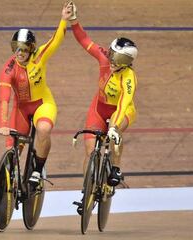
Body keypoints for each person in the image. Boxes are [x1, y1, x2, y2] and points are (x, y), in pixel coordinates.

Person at [0, 2, 74, 186]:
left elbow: (56, 40)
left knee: (44, 130)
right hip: (21, 108)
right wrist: (3, 125)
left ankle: (38, 170)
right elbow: (4, 99)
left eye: (24, 48)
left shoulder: (40, 56)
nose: (20, 52)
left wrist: (64, 20)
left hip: (42, 103)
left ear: (31, 49)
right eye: (16, 47)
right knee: (12, 151)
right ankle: (11, 185)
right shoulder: (8, 69)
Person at [68, 2, 138, 187]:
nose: (114, 61)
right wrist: (73, 20)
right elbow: (85, 41)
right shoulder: (104, 57)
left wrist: (114, 127)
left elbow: (124, 102)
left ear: (128, 62)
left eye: (120, 59)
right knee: (90, 151)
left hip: (121, 110)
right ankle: (87, 192)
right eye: (113, 55)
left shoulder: (129, 77)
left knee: (115, 132)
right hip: (99, 107)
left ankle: (116, 167)